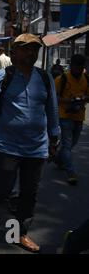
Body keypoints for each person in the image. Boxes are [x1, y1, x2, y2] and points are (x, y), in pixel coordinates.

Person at [0, 33, 60, 253]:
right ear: (14, 52)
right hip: (8, 146)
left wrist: (54, 138)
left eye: (34, 49)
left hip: (37, 147)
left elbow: (51, 110)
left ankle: (17, 233)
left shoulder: (45, 77)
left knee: (29, 193)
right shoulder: (4, 76)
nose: (31, 52)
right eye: (25, 48)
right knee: (3, 188)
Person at [53, 54, 89, 185]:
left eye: (81, 67)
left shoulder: (86, 78)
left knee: (72, 143)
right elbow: (54, 98)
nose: (79, 70)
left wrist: (82, 99)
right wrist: (68, 101)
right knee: (67, 145)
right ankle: (70, 171)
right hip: (65, 116)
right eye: (77, 67)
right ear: (71, 65)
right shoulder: (61, 79)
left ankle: (58, 158)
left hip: (79, 116)